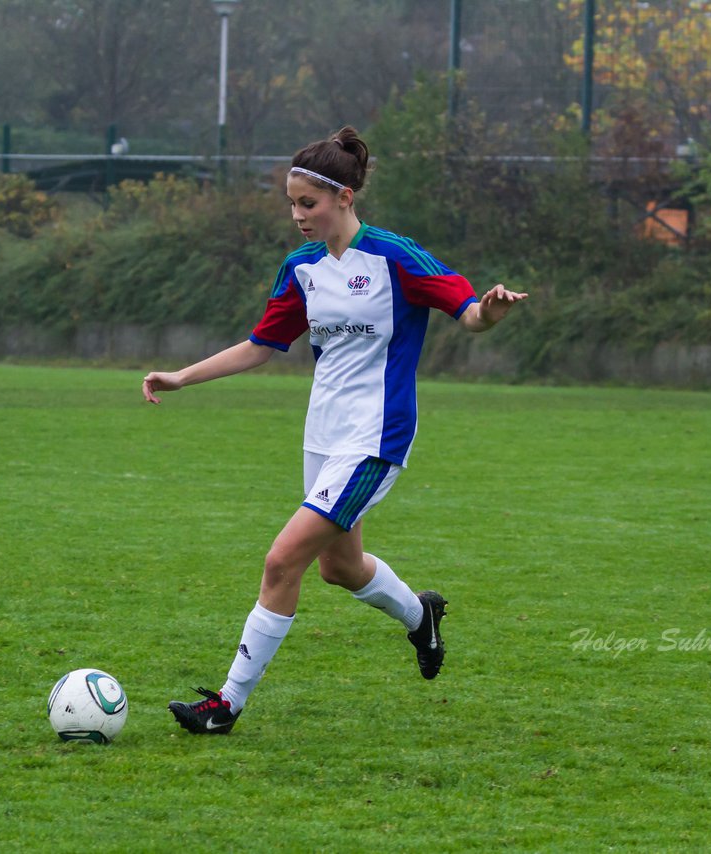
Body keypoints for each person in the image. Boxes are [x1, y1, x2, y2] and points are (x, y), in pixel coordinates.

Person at [142, 126, 527, 734]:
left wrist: (491, 311)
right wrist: (182, 377)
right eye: (292, 203)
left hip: (375, 438)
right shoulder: (301, 268)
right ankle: (420, 617)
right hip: (321, 437)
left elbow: (469, 311)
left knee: (281, 561)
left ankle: (226, 705)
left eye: (308, 204)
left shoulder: (395, 257)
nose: (297, 215)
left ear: (345, 198)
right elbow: (261, 345)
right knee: (340, 569)